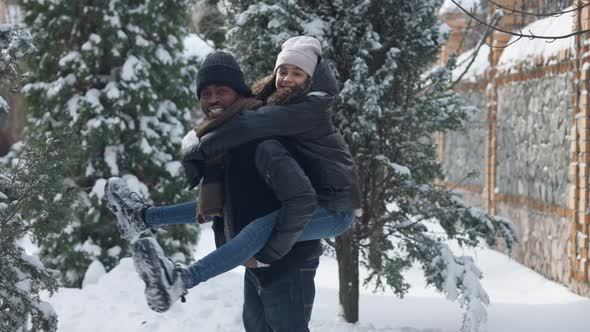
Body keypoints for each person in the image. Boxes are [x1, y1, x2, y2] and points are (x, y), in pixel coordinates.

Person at [106, 36, 360, 319]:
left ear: (311, 79)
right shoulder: (269, 112)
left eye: (297, 73)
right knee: (235, 207)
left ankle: (182, 279)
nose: (287, 79)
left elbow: (254, 126)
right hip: (274, 252)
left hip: (334, 208)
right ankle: (143, 218)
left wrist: (198, 144)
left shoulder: (302, 113)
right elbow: (221, 205)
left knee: (261, 227)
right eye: (283, 71)